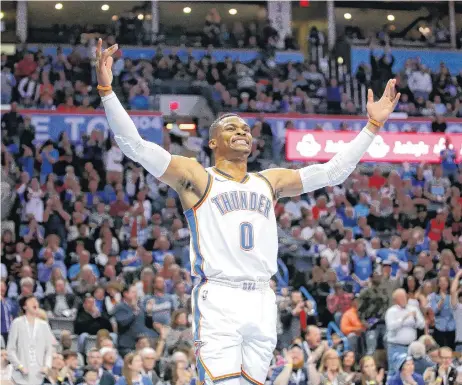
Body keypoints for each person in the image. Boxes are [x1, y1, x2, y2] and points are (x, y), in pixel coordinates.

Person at [96, 38, 400, 385]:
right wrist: (107, 90)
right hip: (220, 295)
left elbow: (332, 172)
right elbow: (135, 146)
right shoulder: (197, 177)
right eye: (231, 128)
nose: (241, 131)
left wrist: (372, 128)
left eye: (244, 129)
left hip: (262, 297)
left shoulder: (269, 181)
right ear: (213, 142)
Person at [6, 295, 54, 385]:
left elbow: (49, 350)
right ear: (24, 306)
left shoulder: (44, 325)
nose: (35, 303)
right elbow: (10, 349)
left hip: (39, 374)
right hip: (20, 375)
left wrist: (47, 366)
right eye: (31, 301)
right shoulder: (17, 323)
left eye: (36, 301)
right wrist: (19, 366)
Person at [385, 289, 426, 378]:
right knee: (394, 371)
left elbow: (422, 325)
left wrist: (415, 318)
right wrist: (404, 318)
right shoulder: (391, 311)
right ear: (395, 300)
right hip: (396, 346)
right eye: (401, 298)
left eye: (404, 297)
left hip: (411, 348)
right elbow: (391, 327)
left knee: (411, 372)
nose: (404, 299)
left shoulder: (413, 309)